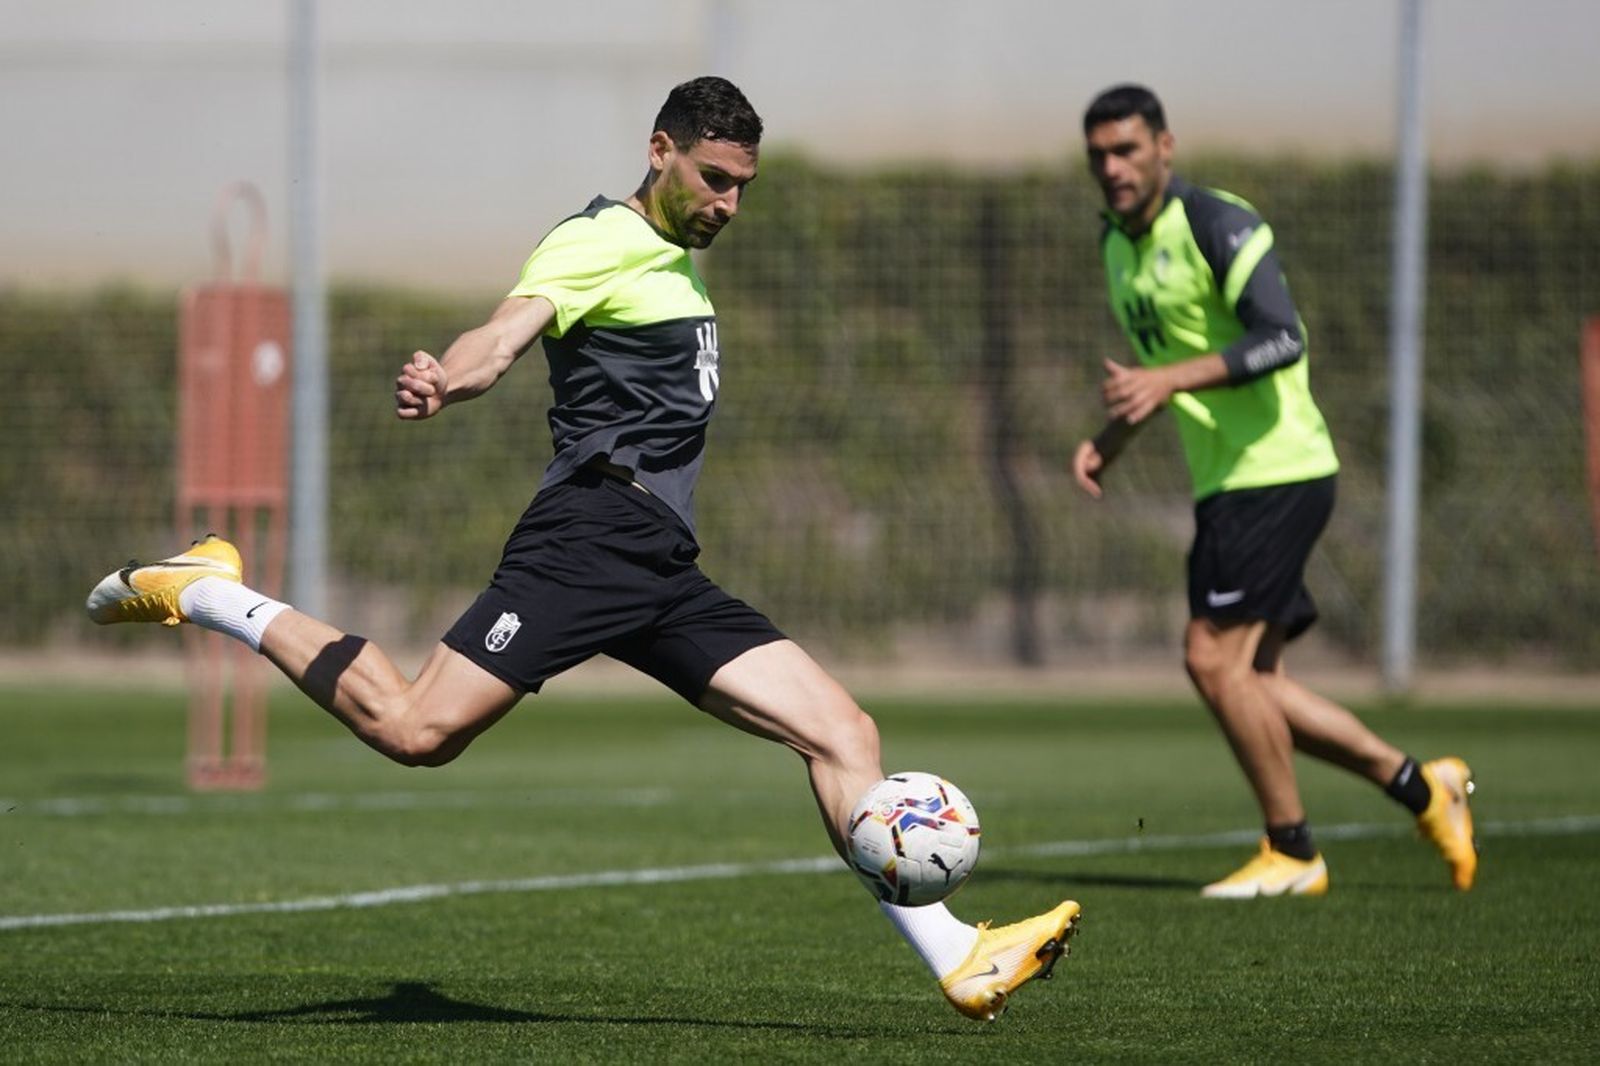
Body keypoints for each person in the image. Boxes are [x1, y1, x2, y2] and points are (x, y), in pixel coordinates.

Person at [88, 76, 1077, 1020]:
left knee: (843, 732)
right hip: (587, 537)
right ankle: (212, 591)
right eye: (712, 179)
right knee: (415, 731)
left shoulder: (677, 263)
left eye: (743, 186)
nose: (729, 203)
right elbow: (507, 330)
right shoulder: (597, 237)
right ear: (661, 152)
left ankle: (956, 955)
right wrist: (450, 378)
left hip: (658, 564)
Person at [1071, 84, 1477, 898]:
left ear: (1165, 148)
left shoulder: (1219, 224)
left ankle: (1292, 850)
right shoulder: (1118, 244)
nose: (1113, 168)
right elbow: (1166, 372)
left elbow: (1282, 336)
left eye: (1127, 150)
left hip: (1278, 469)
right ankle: (1424, 787)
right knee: (1257, 685)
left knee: (1210, 660)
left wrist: (1165, 382)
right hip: (1231, 481)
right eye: (1099, 155)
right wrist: (1107, 442)